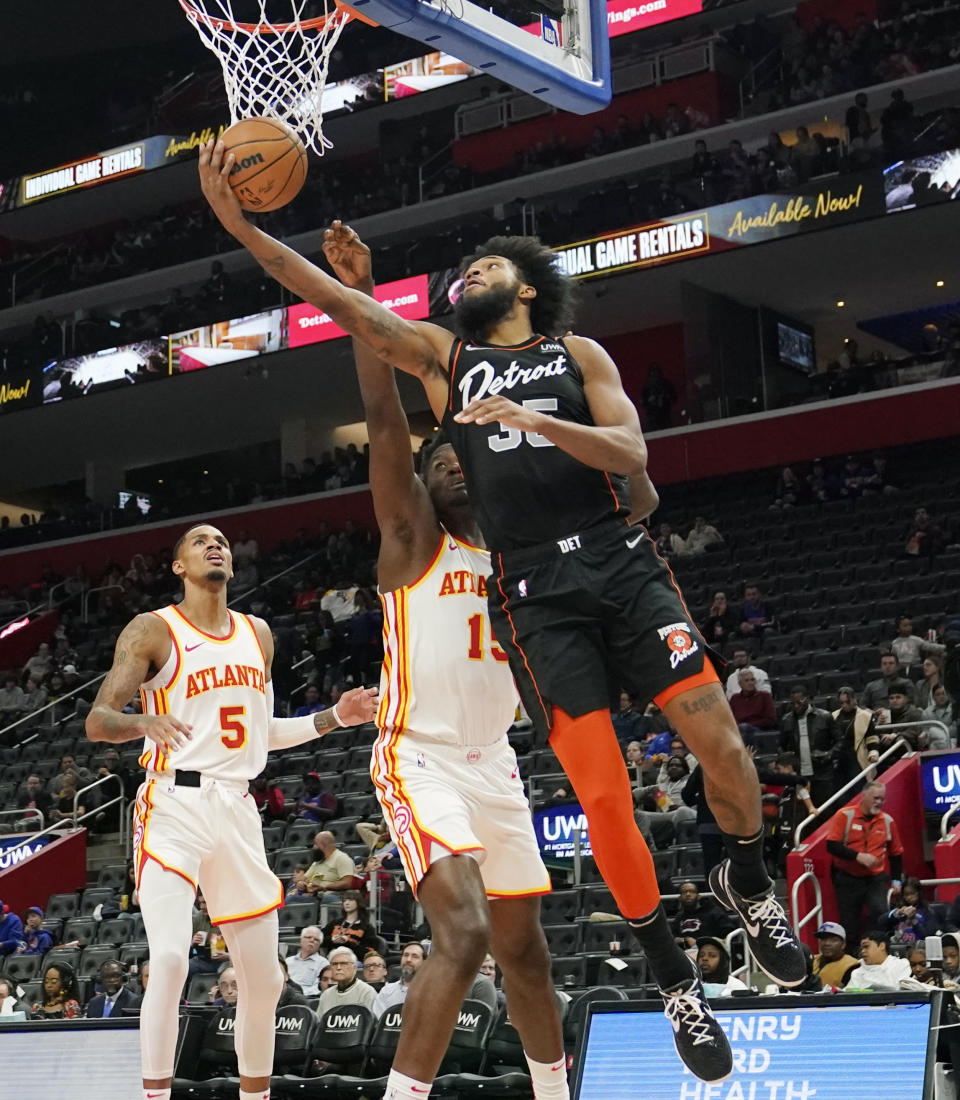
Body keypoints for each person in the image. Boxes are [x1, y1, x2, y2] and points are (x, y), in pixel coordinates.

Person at [199, 156, 806, 1084]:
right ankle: (674, 978)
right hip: (536, 595)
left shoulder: (580, 357)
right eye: (462, 271)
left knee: (723, 749)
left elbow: (636, 463)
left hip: (616, 563)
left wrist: (539, 421)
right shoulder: (447, 361)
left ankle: (750, 879)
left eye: (486, 266)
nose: (467, 273)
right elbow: (333, 303)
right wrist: (240, 229)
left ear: (528, 285)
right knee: (603, 801)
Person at [320, 225, 567, 1100]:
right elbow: (388, 423)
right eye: (439, 461)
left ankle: (555, 1091)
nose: (451, 465)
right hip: (417, 752)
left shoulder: (517, 550)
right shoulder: (413, 540)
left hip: (495, 762)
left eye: (463, 455)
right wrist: (365, 304)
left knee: (527, 952)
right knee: (460, 937)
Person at [84, 521, 377, 1100]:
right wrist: (142, 721)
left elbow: (261, 733)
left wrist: (334, 718)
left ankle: (254, 1094)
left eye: (220, 540)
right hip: (174, 801)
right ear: (178, 566)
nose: (212, 544)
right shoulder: (154, 630)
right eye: (198, 541)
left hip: (236, 806)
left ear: (233, 564)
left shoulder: (258, 634)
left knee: (265, 979)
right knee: (168, 960)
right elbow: (98, 721)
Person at [825, 781, 904, 953]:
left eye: (882, 799)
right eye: (876, 798)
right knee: (849, 924)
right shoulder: (845, 816)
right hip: (847, 878)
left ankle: (875, 952)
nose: (879, 802)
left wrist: (897, 880)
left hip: (875, 878)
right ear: (864, 796)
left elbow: (896, 853)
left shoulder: (888, 821)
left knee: (879, 912)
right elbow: (831, 846)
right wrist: (858, 856)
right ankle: (853, 960)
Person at [779, 685, 837, 806]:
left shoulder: (825, 716)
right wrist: (789, 763)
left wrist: (829, 754)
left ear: (808, 699)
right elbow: (781, 747)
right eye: (793, 703)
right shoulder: (787, 720)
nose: (796, 706)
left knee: (825, 808)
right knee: (803, 812)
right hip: (799, 775)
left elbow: (840, 741)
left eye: (799, 702)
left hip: (822, 773)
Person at [831, 687, 879, 786]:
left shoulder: (865, 716)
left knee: (858, 788)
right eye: (841, 703)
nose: (844, 705)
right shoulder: (833, 716)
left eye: (847, 702)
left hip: (857, 757)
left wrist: (873, 751)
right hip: (838, 758)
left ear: (854, 699)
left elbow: (871, 737)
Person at [316, 946, 377, 1015]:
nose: (338, 968)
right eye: (335, 964)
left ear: (354, 968)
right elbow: (319, 1023)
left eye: (343, 964)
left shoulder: (367, 992)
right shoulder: (326, 995)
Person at [884, 876, 940, 946]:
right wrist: (897, 913)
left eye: (912, 894)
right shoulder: (900, 909)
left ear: (919, 893)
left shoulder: (927, 911)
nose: (909, 897)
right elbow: (881, 921)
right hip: (900, 946)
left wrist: (914, 921)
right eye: (906, 894)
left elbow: (927, 936)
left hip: (919, 948)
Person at [305, 830, 357, 904]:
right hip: (316, 895)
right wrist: (302, 883)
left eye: (316, 844)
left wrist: (325, 887)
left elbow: (348, 882)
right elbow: (306, 879)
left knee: (328, 898)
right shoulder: (318, 861)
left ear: (323, 845)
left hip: (336, 894)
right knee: (292, 898)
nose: (313, 847)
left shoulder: (341, 858)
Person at [846, 930, 911, 990]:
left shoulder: (900, 965)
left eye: (866, 947)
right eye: (862, 948)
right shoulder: (857, 972)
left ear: (881, 946)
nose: (862, 951)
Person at [323, 890, 379, 958]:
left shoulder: (367, 927)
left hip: (354, 961)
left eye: (350, 900)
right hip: (332, 958)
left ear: (358, 903)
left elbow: (369, 953)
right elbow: (318, 939)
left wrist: (348, 942)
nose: (346, 903)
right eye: (344, 901)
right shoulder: (335, 923)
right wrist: (331, 939)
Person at [811, 922, 858, 989]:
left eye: (833, 940)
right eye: (823, 939)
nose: (827, 943)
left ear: (843, 944)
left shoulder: (852, 966)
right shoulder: (811, 960)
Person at [285, 926, 329, 997]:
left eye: (316, 939)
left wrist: (298, 995)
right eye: (308, 937)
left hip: (307, 999)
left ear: (319, 945)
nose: (312, 940)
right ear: (301, 940)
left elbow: (318, 988)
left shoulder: (323, 963)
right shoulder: (288, 961)